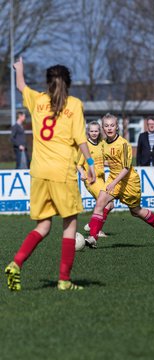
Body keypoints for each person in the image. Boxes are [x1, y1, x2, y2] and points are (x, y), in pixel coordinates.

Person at [5, 57, 96, 291]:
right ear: (68, 83)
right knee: (69, 224)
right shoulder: (74, 104)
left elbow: (20, 86)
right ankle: (64, 280)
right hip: (61, 171)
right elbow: (80, 138)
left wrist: (19, 69)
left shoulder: (38, 100)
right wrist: (91, 163)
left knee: (43, 225)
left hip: (38, 171)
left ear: (48, 83)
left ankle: (16, 264)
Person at [85, 113, 154, 249]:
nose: (109, 128)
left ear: (117, 127)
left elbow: (125, 168)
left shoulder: (123, 144)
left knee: (135, 211)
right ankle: (93, 238)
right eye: (106, 126)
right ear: (103, 128)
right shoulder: (103, 143)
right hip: (113, 178)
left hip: (128, 181)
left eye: (112, 125)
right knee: (100, 202)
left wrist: (113, 183)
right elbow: (106, 160)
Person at [77, 120, 113, 237]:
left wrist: (113, 164)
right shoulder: (85, 146)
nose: (94, 133)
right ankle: (95, 229)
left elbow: (101, 161)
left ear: (99, 131)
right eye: (91, 131)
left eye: (96, 131)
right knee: (106, 203)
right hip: (91, 180)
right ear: (88, 132)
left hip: (101, 178)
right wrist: (82, 173)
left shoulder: (102, 144)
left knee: (110, 204)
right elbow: (78, 164)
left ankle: (94, 226)